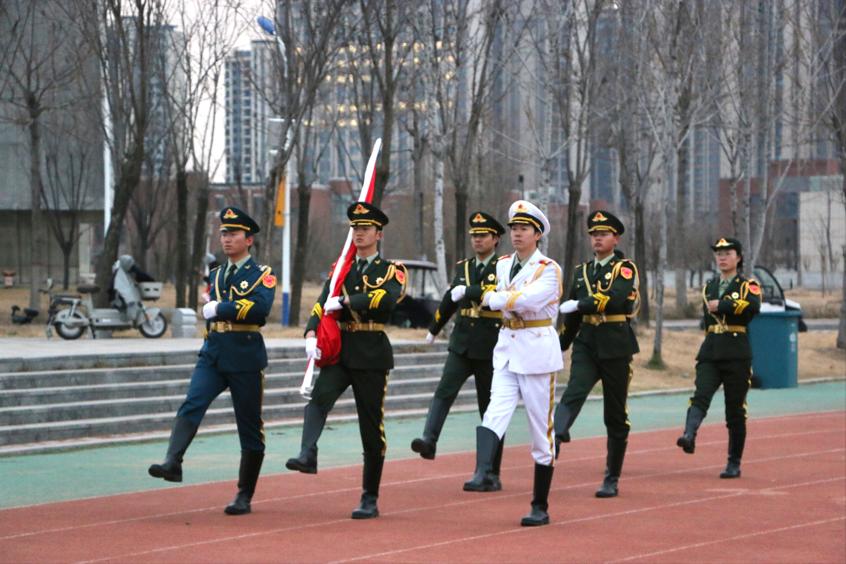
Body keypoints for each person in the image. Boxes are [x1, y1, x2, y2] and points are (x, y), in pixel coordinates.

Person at [148, 207, 276, 516]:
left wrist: (221, 309)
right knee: (193, 402)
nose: (227, 239)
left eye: (233, 234)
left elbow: (259, 309)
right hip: (214, 351)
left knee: (249, 425)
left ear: (249, 240)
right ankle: (173, 461)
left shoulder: (262, 275)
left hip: (244, 354)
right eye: (224, 234)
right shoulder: (217, 274)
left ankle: (244, 494)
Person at [285, 202, 407, 519]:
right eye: (355, 228)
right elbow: (322, 302)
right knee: (318, 399)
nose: (359, 233)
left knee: (371, 427)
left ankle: (369, 497)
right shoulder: (342, 268)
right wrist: (310, 333)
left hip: (371, 353)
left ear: (378, 234)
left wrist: (348, 300)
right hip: (341, 351)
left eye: (365, 228)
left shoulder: (391, 270)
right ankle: (307, 453)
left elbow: (386, 299)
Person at [463, 200, 563, 527]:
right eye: (514, 229)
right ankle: (483, 470)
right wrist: (498, 299)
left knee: (540, 430)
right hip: (507, 347)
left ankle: (540, 505)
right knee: (494, 413)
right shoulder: (505, 263)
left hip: (536, 352)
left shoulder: (548, 269)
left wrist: (495, 299)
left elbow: (527, 300)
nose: (517, 234)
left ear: (538, 234)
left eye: (524, 229)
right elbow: (503, 297)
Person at [412, 212, 506, 488]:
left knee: (490, 410)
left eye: (483, 235)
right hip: (462, 342)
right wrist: (434, 328)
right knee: (444, 391)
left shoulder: (503, 267)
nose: (477, 240)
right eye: (474, 235)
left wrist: (468, 291)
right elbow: (450, 299)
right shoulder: (464, 267)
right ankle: (429, 440)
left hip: (490, 345)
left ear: (495, 239)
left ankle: (490, 472)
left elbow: (495, 292)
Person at [556, 210, 640, 498]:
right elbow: (572, 318)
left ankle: (611, 477)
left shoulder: (624, 269)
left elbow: (615, 299)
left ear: (615, 239)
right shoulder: (581, 272)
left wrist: (581, 305)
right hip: (587, 343)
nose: (597, 239)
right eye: (593, 234)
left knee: (614, 415)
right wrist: (559, 346)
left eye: (603, 234)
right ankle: (557, 435)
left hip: (616, 345)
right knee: (574, 391)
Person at [676, 237, 761, 478]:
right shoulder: (709, 287)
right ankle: (689, 434)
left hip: (736, 353)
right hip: (711, 350)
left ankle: (734, 462)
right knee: (701, 394)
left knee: (735, 409)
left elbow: (752, 307)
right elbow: (707, 320)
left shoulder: (748, 285)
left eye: (727, 253)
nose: (722, 257)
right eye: (719, 253)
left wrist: (723, 305)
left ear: (739, 257)